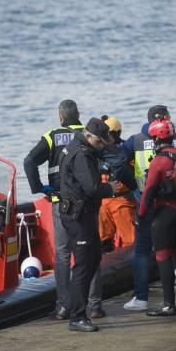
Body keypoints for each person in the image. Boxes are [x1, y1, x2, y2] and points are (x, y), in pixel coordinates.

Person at [121, 105, 176, 311]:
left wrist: (138, 207)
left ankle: (158, 302)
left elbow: (146, 188)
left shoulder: (145, 149)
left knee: (158, 254)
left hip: (157, 208)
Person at [57, 118, 122, 333]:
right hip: (79, 215)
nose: (102, 146)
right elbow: (93, 188)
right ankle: (76, 315)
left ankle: (75, 310)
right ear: (90, 136)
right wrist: (110, 187)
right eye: (101, 142)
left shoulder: (76, 145)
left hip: (79, 213)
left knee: (92, 258)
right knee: (84, 264)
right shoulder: (82, 155)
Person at [23, 99, 86, 320]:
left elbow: (29, 161)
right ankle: (93, 305)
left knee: (62, 253)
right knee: (88, 251)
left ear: (60, 117)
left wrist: (40, 188)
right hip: (86, 203)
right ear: (78, 114)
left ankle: (63, 307)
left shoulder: (52, 136)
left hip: (61, 201)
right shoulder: (89, 133)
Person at [137, 117, 176, 317]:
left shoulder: (159, 161)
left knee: (163, 257)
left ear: (156, 138)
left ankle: (168, 304)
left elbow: (148, 192)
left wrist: (140, 216)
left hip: (164, 214)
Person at [97, 115, 137, 252]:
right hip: (103, 200)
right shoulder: (97, 152)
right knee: (103, 239)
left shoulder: (126, 151)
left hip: (122, 201)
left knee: (131, 240)